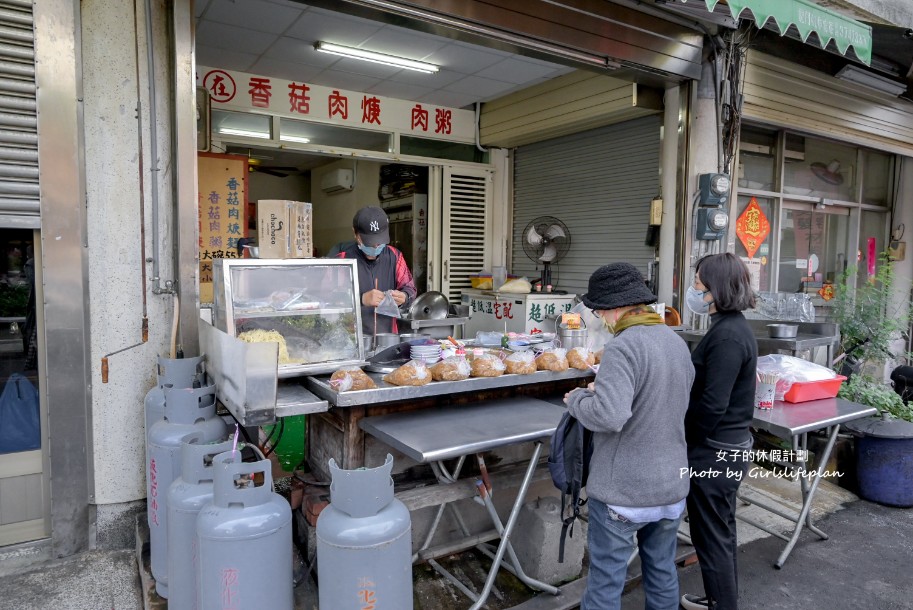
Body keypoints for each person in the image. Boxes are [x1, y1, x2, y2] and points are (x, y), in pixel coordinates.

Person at [564, 262, 695, 610]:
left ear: (611, 309)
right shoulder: (675, 342)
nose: (598, 317)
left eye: (597, 310)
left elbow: (610, 415)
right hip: (670, 486)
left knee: (607, 581)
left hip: (626, 491)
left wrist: (577, 399)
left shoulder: (623, 347)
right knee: (662, 571)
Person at [680, 253, 758, 610]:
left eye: (698, 282)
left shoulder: (728, 336)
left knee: (711, 538)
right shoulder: (731, 325)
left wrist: (686, 440)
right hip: (727, 448)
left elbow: (713, 405)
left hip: (715, 451)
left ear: (716, 288)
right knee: (720, 535)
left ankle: (721, 605)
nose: (694, 288)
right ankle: (720, 599)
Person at [334, 206, 416, 335]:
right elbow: (330, 300)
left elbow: (410, 289)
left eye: (379, 242)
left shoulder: (395, 256)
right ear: (355, 234)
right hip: (352, 338)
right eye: (370, 242)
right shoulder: (343, 261)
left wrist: (405, 296)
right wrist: (360, 299)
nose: (375, 246)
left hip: (387, 337)